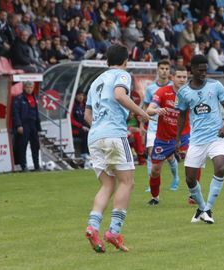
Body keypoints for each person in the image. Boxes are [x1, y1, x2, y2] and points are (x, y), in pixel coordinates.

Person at [84, 44, 151, 253]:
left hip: (94, 136)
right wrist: (142, 113)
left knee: (107, 184)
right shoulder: (122, 75)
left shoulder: (95, 81)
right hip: (113, 134)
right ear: (126, 60)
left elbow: (87, 115)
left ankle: (93, 227)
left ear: (106, 60)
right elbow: (120, 95)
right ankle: (114, 231)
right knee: (127, 181)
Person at [175, 54, 224, 224]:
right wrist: (177, 139)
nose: (203, 73)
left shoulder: (216, 86)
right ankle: (201, 208)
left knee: (220, 167)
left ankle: (207, 209)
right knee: (190, 178)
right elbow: (182, 115)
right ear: (191, 69)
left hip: (216, 137)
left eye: (205, 70)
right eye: (200, 70)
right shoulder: (184, 92)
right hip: (197, 140)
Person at [145, 66, 190, 205]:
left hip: (184, 136)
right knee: (155, 170)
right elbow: (149, 109)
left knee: (193, 164)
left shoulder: (191, 94)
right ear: (172, 78)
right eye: (179, 77)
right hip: (163, 138)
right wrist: (157, 110)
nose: (182, 80)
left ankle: (193, 196)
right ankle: (155, 197)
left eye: (184, 77)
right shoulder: (163, 92)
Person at [143, 59, 180, 190]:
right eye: (162, 68)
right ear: (158, 70)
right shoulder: (150, 89)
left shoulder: (175, 87)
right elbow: (146, 106)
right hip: (153, 127)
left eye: (166, 69)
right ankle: (151, 182)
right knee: (151, 154)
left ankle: (176, 178)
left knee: (169, 157)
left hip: (169, 129)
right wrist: (144, 121)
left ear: (170, 72)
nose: (164, 71)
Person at [12, 81, 42, 172]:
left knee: (35, 146)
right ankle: (23, 166)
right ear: (24, 88)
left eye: (31, 87)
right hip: (24, 124)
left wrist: (38, 127)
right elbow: (15, 113)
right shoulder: (19, 98)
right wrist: (18, 125)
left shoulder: (34, 97)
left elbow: (37, 113)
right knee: (23, 145)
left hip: (33, 125)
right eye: (27, 87)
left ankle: (37, 166)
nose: (29, 89)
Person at [71, 91, 90, 159]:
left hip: (84, 127)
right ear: (75, 96)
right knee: (86, 133)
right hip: (75, 129)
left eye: (82, 95)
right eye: (79, 95)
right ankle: (84, 153)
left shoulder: (85, 106)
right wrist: (81, 126)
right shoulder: (72, 105)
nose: (81, 97)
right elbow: (70, 119)